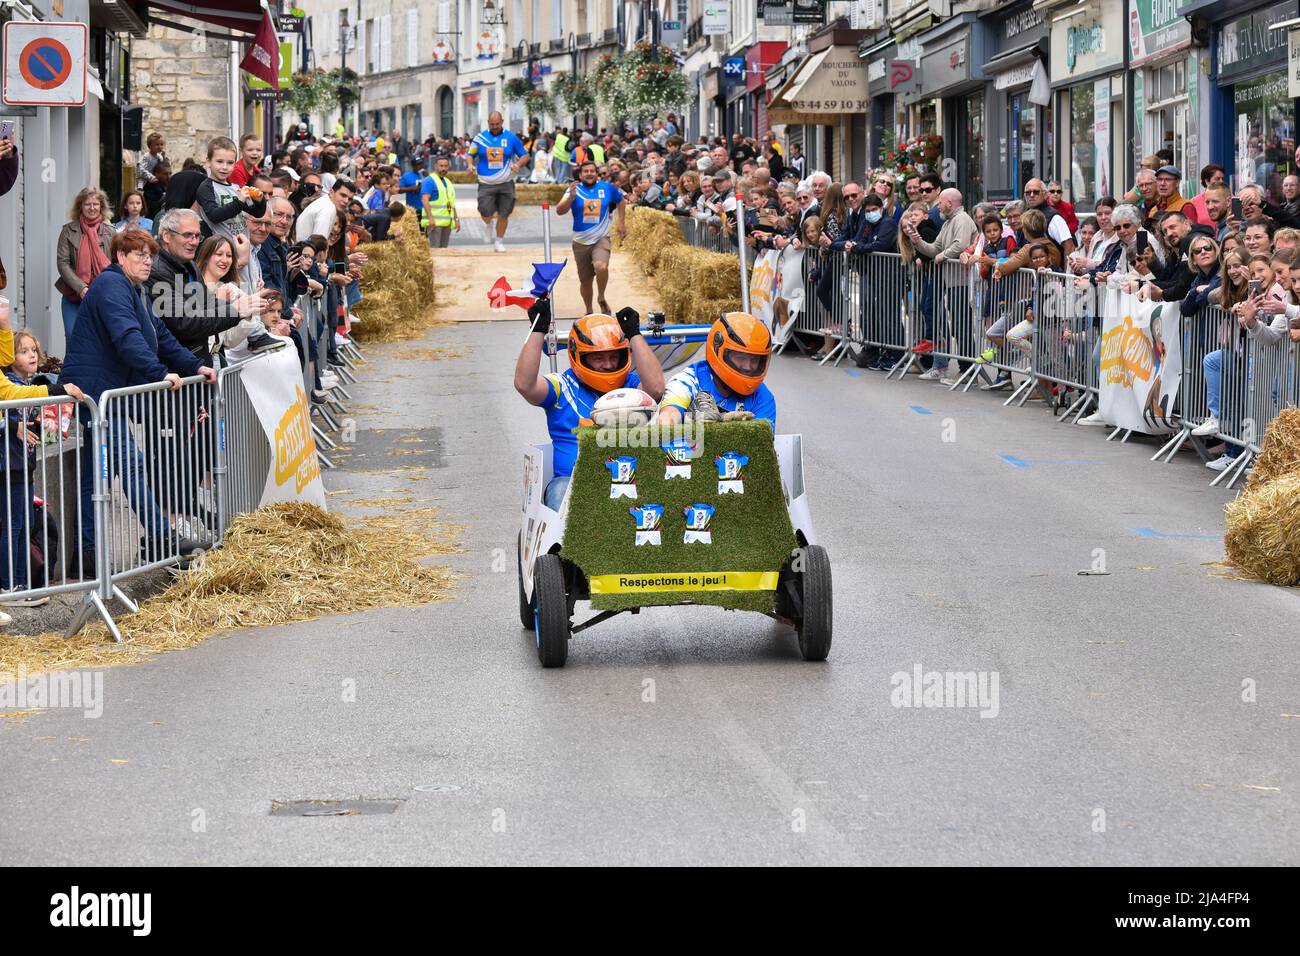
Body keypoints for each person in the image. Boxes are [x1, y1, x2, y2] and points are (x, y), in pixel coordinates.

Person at [60, 229, 217, 568]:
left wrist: (195, 365)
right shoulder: (111, 286)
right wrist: (159, 373)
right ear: (120, 257)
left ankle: (86, 554)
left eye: (150, 255)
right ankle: (162, 535)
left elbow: (160, 334)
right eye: (139, 255)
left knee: (96, 474)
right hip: (96, 393)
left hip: (111, 393)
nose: (148, 261)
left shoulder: (137, 290)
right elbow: (127, 337)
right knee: (130, 464)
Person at [514, 301, 665, 510]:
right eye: (598, 358)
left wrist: (634, 334)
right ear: (579, 356)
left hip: (630, 481)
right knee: (559, 490)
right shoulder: (562, 387)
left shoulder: (632, 386)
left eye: (614, 356)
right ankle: (565, 543)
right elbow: (525, 385)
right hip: (573, 483)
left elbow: (656, 389)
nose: (609, 364)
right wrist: (538, 330)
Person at [656, 312, 776, 429]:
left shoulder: (763, 397)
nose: (748, 367)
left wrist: (718, 425)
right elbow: (667, 418)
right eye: (741, 357)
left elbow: (759, 445)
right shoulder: (687, 382)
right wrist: (688, 422)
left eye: (755, 360)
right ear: (718, 349)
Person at [556, 159, 626, 315]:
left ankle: (601, 297)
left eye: (592, 171)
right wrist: (571, 197)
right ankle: (589, 311)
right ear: (580, 175)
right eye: (586, 172)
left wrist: (621, 223)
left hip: (601, 238)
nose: (589, 174)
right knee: (585, 281)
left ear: (597, 173)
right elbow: (559, 211)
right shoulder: (573, 190)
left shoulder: (607, 188)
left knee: (601, 266)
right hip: (580, 241)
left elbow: (621, 201)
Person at [55, 187, 116, 340]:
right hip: (74, 296)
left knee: (100, 339)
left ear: (101, 206)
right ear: (80, 206)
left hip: (103, 296)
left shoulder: (111, 232)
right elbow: (63, 263)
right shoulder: (68, 231)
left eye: (96, 204)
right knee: (72, 335)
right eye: (87, 204)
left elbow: (117, 263)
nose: (92, 208)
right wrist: (81, 288)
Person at [469, 111, 529, 252]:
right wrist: (470, 164)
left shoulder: (511, 138)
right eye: (492, 124)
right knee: (484, 210)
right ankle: (488, 224)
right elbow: (470, 154)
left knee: (504, 213)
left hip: (506, 183)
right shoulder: (480, 138)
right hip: (486, 183)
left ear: (502, 121)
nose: (495, 126)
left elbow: (525, 155)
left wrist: (518, 165)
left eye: (497, 124)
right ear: (488, 123)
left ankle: (499, 241)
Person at [422, 154, 460, 248]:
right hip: (435, 224)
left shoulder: (447, 182)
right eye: (441, 166)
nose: (443, 168)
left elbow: (451, 203)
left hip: (446, 223)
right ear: (435, 166)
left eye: (446, 166)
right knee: (435, 251)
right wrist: (430, 218)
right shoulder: (429, 181)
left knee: (443, 251)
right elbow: (425, 200)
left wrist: (456, 219)